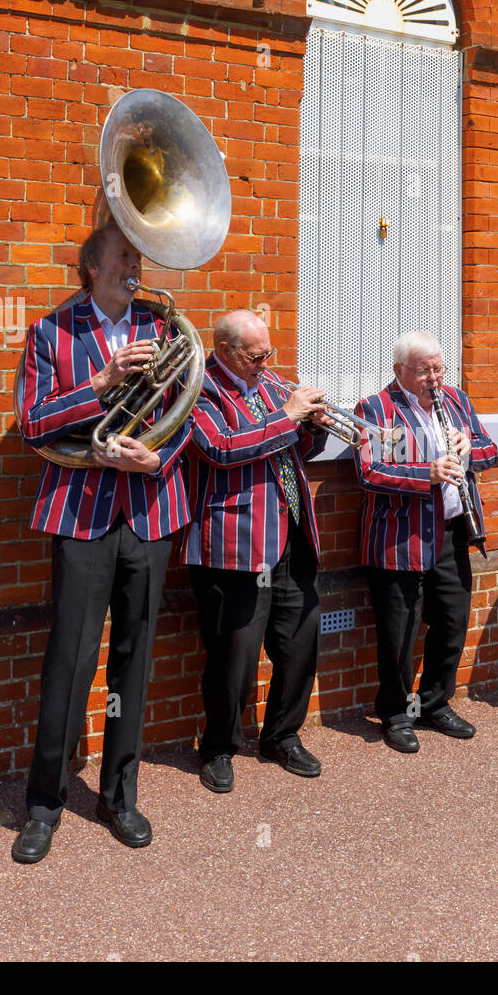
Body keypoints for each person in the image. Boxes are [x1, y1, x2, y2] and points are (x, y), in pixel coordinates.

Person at [12, 219, 194, 864]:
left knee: (133, 662)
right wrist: (100, 383)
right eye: (122, 255)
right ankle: (44, 804)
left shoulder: (167, 332)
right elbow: (34, 423)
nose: (133, 265)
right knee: (70, 661)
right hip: (81, 515)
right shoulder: (52, 333)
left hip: (149, 513)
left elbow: (187, 416)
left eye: (138, 256)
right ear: (93, 266)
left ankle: (120, 795)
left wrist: (157, 459)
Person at [184, 310, 332, 793]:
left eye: (269, 352)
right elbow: (222, 448)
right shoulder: (200, 388)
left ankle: (282, 736)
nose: (266, 362)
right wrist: (286, 416)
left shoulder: (270, 384)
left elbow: (295, 451)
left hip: (292, 533)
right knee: (235, 657)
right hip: (236, 544)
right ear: (225, 350)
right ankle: (219, 746)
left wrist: (314, 426)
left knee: (299, 645)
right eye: (256, 355)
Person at [354, 332, 498, 753]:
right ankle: (396, 714)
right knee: (399, 632)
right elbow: (371, 472)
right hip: (401, 537)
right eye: (423, 371)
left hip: (452, 532)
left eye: (438, 368)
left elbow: (491, 449)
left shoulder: (455, 400)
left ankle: (434, 703)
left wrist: (471, 449)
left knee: (452, 623)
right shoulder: (377, 408)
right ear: (399, 371)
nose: (433, 378)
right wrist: (427, 473)